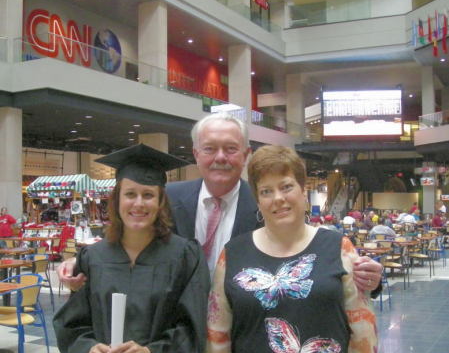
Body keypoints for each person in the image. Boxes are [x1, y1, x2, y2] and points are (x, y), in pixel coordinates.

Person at [58, 113, 382, 299]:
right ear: (196, 154)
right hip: (173, 330)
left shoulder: (268, 205)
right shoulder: (166, 197)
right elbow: (129, 236)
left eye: (230, 148)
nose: (220, 158)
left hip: (243, 332)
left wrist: (369, 277)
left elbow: (306, 247)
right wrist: (82, 265)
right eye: (210, 148)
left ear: (245, 154)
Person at [206, 145, 377, 353]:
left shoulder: (338, 247)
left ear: (302, 189)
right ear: (257, 200)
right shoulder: (233, 254)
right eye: (266, 191)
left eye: (286, 187)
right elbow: (216, 336)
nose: (278, 199)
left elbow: (363, 334)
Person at [53, 144, 210, 353]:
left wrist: (153, 352)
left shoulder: (185, 256)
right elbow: (72, 323)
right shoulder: (93, 258)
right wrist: (89, 351)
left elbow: (196, 325)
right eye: (130, 194)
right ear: (117, 200)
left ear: (161, 201)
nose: (139, 203)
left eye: (148, 195)